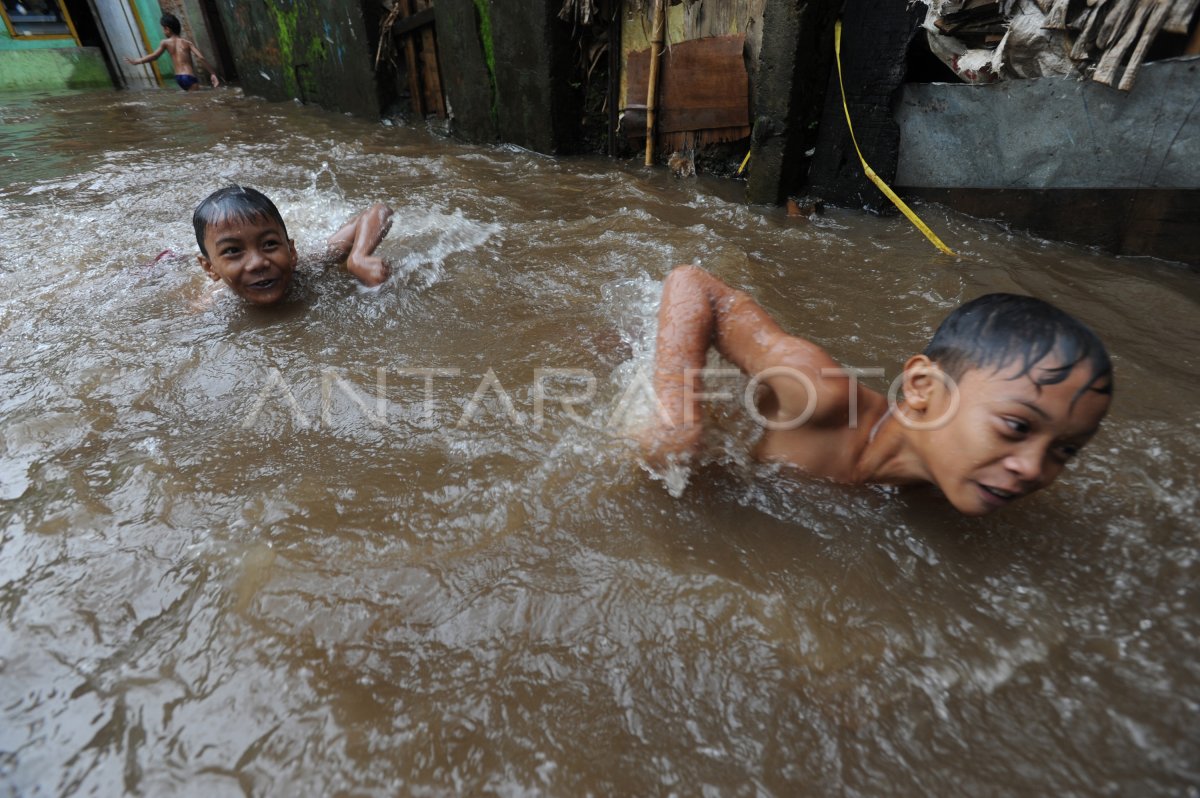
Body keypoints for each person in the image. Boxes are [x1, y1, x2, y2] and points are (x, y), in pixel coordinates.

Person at [642, 265, 1113, 516]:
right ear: (924, 387)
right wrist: (676, 418)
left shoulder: (945, 490)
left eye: (1065, 450)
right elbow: (694, 285)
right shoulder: (821, 399)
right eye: (1016, 426)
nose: (1033, 469)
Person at [192, 185, 394, 306]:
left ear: (292, 252)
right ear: (210, 268)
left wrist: (358, 257)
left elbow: (379, 211)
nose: (258, 263)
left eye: (269, 244)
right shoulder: (213, 304)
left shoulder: (310, 266)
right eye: (233, 251)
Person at [124, 13, 220, 91]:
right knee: (198, 103)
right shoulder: (187, 43)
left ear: (167, 29)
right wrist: (212, 73)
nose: (162, 31)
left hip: (178, 77)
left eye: (163, 28)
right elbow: (200, 57)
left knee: (192, 101)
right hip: (189, 77)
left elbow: (154, 56)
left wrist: (137, 61)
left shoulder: (165, 43)